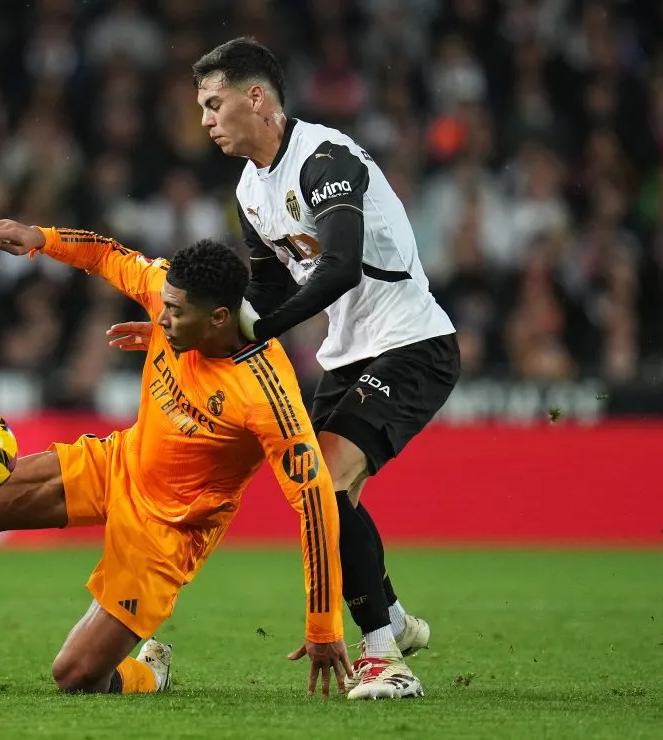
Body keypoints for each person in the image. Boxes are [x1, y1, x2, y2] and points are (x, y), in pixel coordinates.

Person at [0, 219, 352, 698]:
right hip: (119, 464)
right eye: (165, 305)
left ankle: (150, 673)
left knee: (75, 676)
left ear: (219, 317)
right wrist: (37, 239)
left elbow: (315, 502)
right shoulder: (168, 298)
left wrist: (324, 624)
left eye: (176, 312)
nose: (161, 315)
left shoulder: (266, 395)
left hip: (169, 530)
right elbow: (106, 254)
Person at [108, 37, 460, 700]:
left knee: (325, 483)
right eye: (201, 108)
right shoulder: (250, 192)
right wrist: (178, 332)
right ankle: (389, 621)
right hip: (348, 352)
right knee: (324, 495)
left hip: (413, 342)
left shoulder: (323, 160)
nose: (205, 119)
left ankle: (385, 658)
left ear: (256, 98)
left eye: (214, 104)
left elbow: (340, 265)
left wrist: (263, 331)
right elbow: (262, 293)